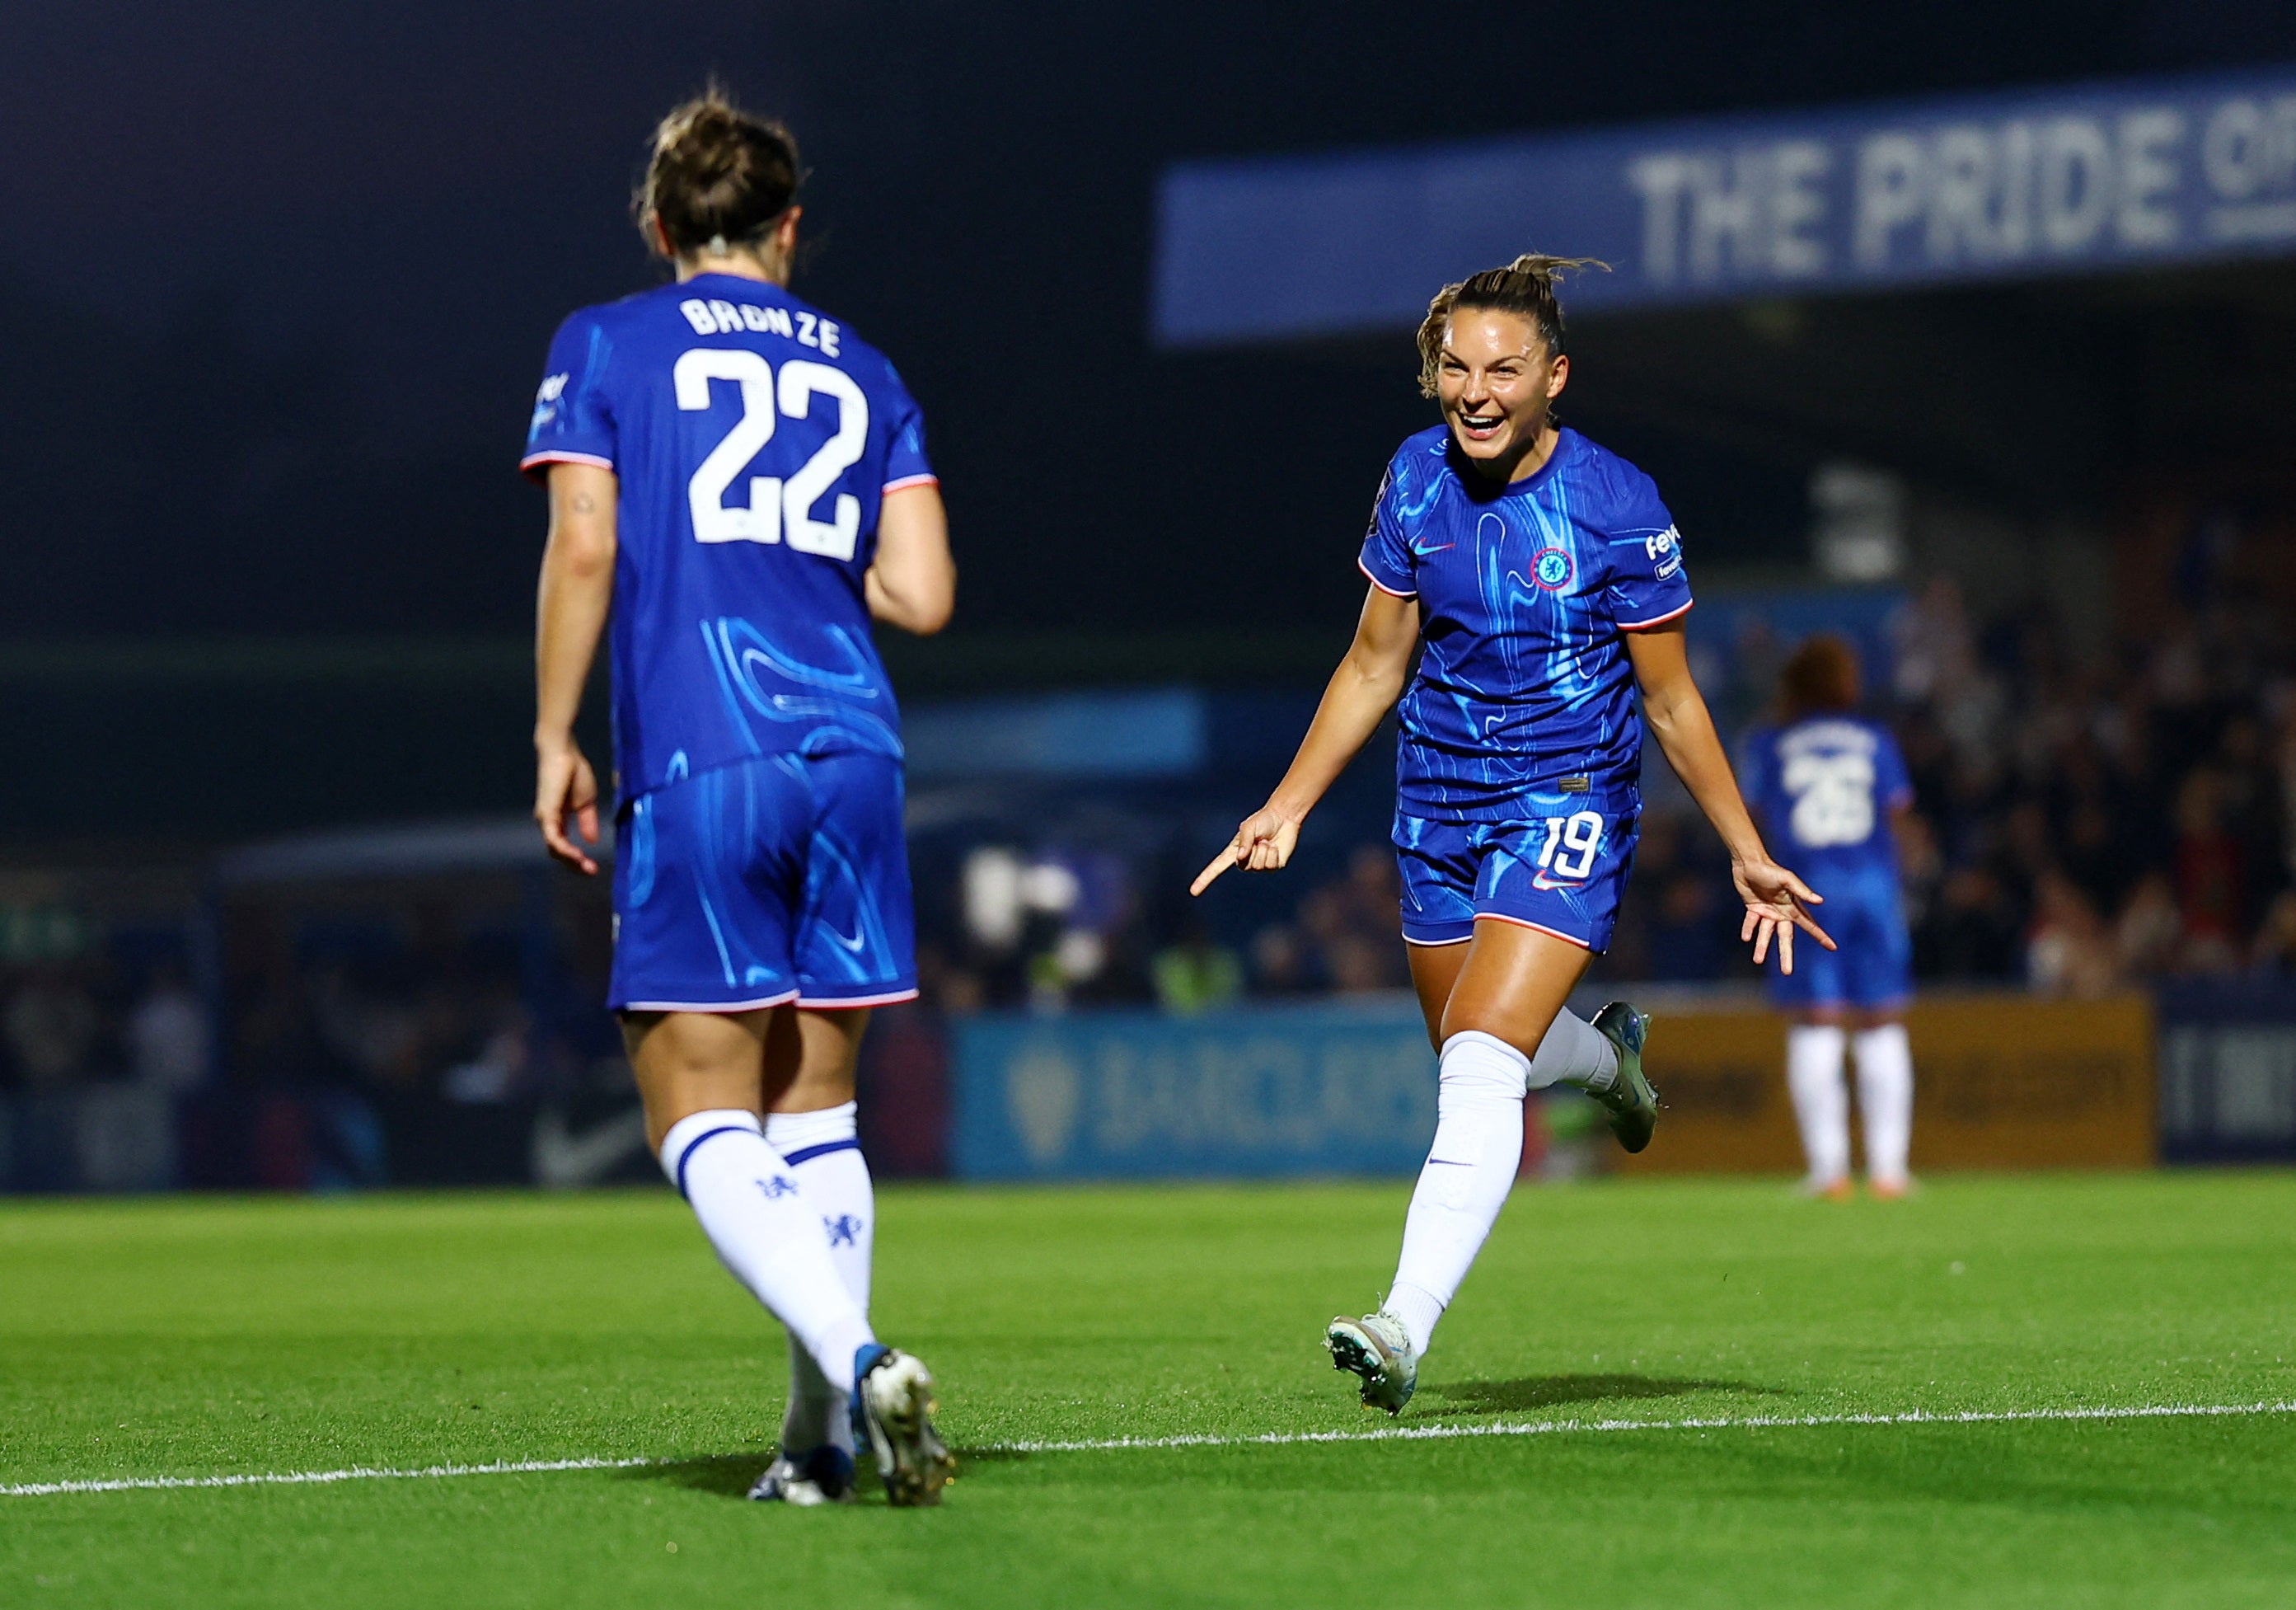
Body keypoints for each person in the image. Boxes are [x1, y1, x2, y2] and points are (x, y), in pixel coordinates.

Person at [1191, 255, 1831, 1415]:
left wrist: (1743, 842)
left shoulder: (1619, 505)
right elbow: (1373, 662)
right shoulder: (1411, 480)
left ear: (1554, 379)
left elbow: (1674, 700)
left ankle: (1400, 1323)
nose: (1474, 391)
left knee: (1480, 1062)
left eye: (1503, 368)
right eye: (1455, 366)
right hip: (1435, 807)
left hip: (1568, 799)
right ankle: (1607, 1057)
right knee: (1483, 1056)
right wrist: (1286, 803)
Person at [524, 92, 957, 1505]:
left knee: (694, 1111)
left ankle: (861, 1355)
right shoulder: (869, 369)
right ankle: (819, 1443)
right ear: (787, 226)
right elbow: (922, 594)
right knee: (815, 1113)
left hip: (708, 741)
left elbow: (584, 544)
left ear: (659, 227)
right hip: (856, 750)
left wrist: (552, 732)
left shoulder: (607, 338)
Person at [1739, 636, 1918, 1199]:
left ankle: (1829, 1170)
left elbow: (1755, 815)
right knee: (1881, 1019)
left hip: (1805, 889)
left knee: (1816, 1021)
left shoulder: (1772, 742)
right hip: (1873, 889)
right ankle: (1890, 1171)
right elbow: (1898, 811)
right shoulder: (1874, 739)